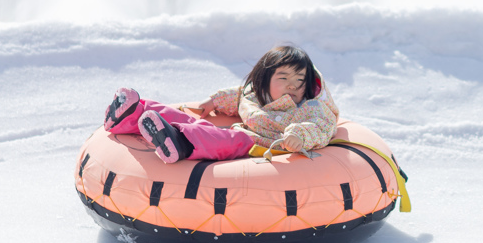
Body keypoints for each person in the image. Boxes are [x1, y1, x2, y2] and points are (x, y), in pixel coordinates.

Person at [103, 45, 339, 164]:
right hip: (242, 130)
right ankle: (135, 111)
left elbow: (322, 126)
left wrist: (298, 134)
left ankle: (180, 142)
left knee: (220, 139)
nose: (293, 86)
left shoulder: (310, 107)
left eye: (300, 80)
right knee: (190, 119)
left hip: (256, 144)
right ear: (265, 79)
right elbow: (238, 96)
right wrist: (214, 101)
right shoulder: (257, 95)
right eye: (284, 78)